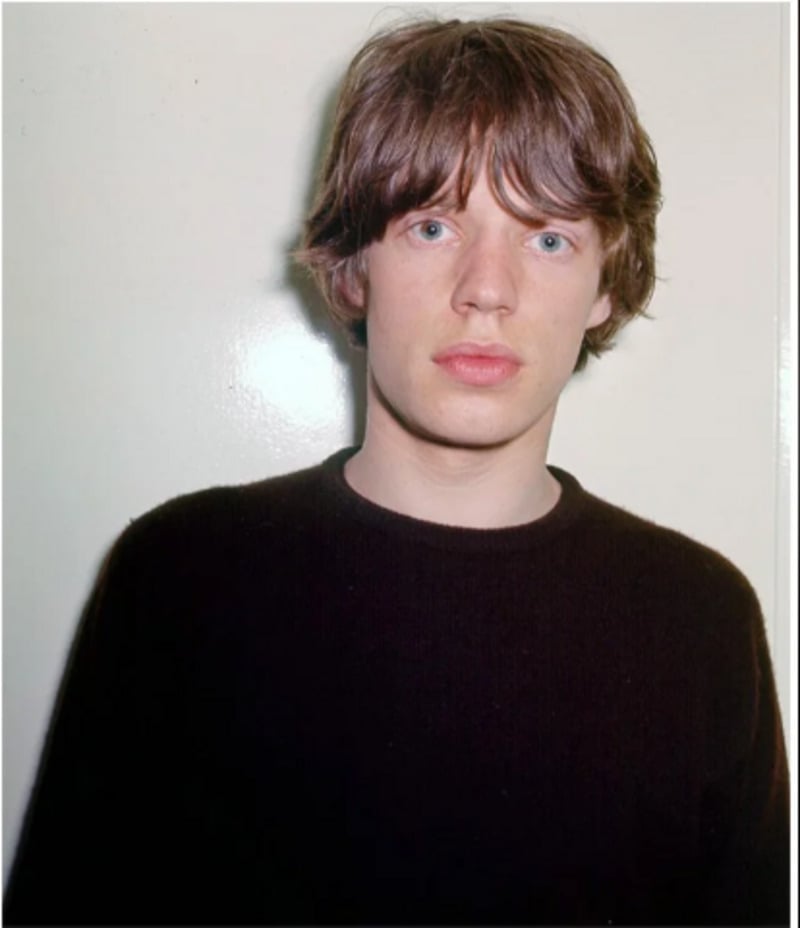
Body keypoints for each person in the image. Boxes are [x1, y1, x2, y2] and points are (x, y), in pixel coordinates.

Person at [4, 16, 789, 926]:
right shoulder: (180, 579)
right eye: (432, 225)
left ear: (606, 285)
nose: (487, 288)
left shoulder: (701, 619)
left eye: (547, 238)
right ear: (354, 269)